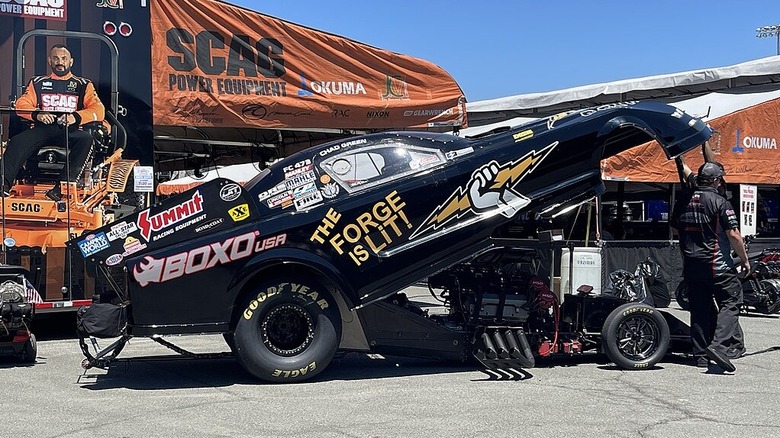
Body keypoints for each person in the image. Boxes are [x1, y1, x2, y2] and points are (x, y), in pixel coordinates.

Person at [1, 44, 106, 201]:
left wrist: (75, 117)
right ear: (49, 61)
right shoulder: (37, 82)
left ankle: (60, 189)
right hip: (43, 129)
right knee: (16, 141)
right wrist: (38, 114)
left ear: (71, 61)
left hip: (70, 130)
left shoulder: (83, 84)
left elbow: (99, 110)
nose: (60, 62)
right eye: (56, 58)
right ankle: (2, 187)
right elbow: (21, 104)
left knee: (87, 140)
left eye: (64, 58)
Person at [671, 162, 748, 372]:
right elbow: (733, 234)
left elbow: (678, 234)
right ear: (715, 180)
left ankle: (700, 356)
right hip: (717, 266)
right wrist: (745, 259)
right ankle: (719, 346)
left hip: (692, 265)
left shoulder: (683, 200)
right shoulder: (720, 202)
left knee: (699, 310)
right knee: (731, 302)